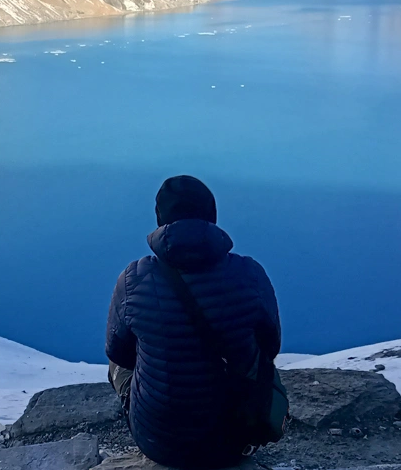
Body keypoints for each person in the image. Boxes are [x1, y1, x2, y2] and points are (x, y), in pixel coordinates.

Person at [106, 175, 282, 469]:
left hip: (160, 443)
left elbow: (119, 353)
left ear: (160, 219)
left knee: (119, 363)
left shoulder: (133, 278)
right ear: (212, 216)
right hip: (237, 439)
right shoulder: (250, 273)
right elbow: (271, 345)